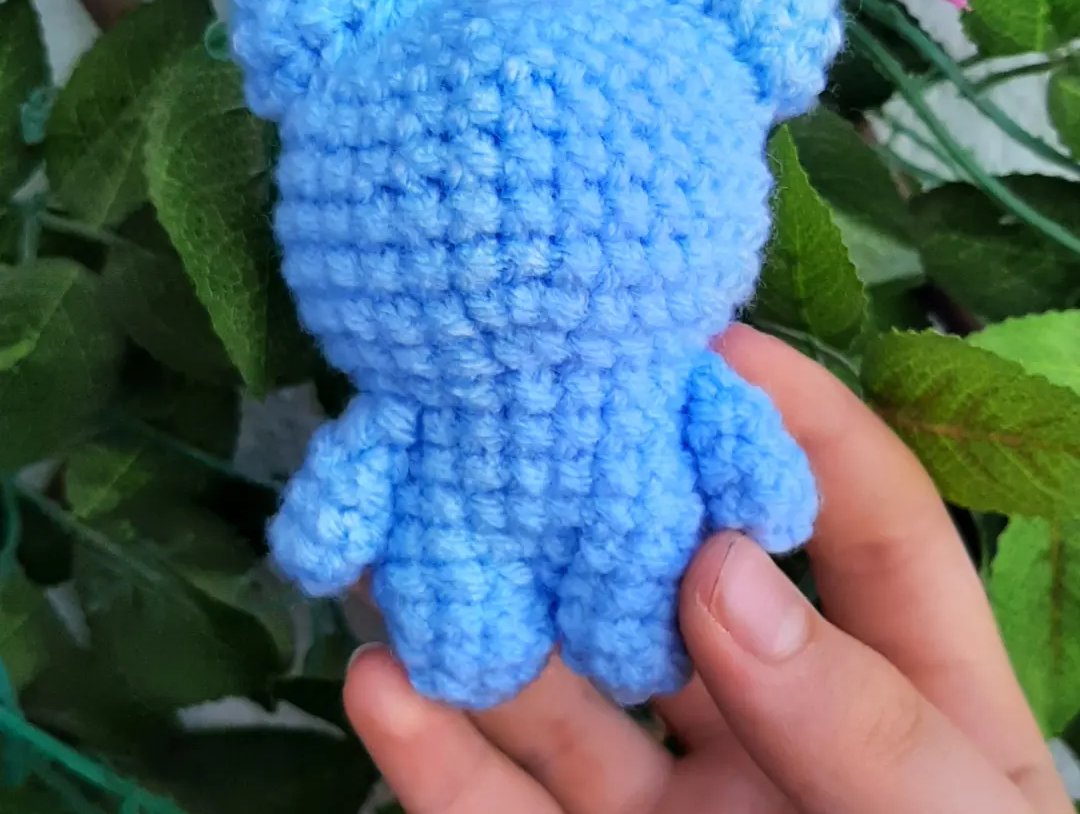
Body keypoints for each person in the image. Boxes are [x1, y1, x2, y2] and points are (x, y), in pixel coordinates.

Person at [342, 324, 1074, 814]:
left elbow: (749, 456)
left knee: (617, 609)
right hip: (581, 507)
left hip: (568, 518)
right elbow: (757, 467)